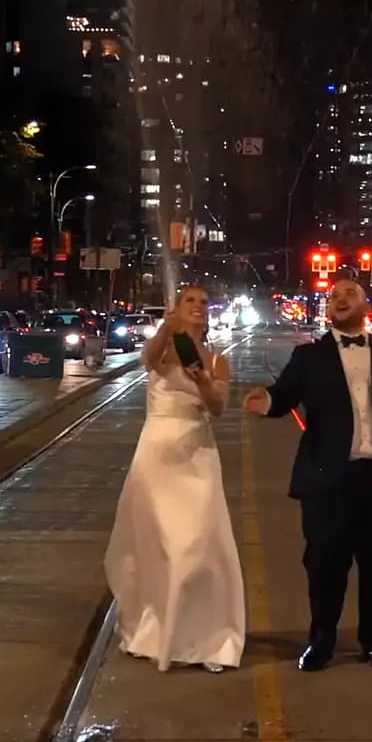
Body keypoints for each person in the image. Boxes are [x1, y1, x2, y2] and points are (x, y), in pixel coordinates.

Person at [244, 279, 372, 672]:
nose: (340, 299)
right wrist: (264, 401)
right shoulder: (308, 357)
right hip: (327, 479)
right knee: (324, 564)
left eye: (349, 293)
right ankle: (321, 641)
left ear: (366, 306)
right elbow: (282, 396)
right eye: (334, 295)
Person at [105, 285, 245, 673]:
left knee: (197, 546)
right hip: (156, 456)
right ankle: (154, 629)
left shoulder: (217, 360)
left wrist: (202, 381)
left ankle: (206, 638)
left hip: (197, 455)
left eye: (203, 302)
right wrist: (166, 330)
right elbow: (147, 360)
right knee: (159, 546)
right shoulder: (164, 348)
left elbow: (217, 408)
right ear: (176, 309)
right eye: (190, 301)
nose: (198, 307)